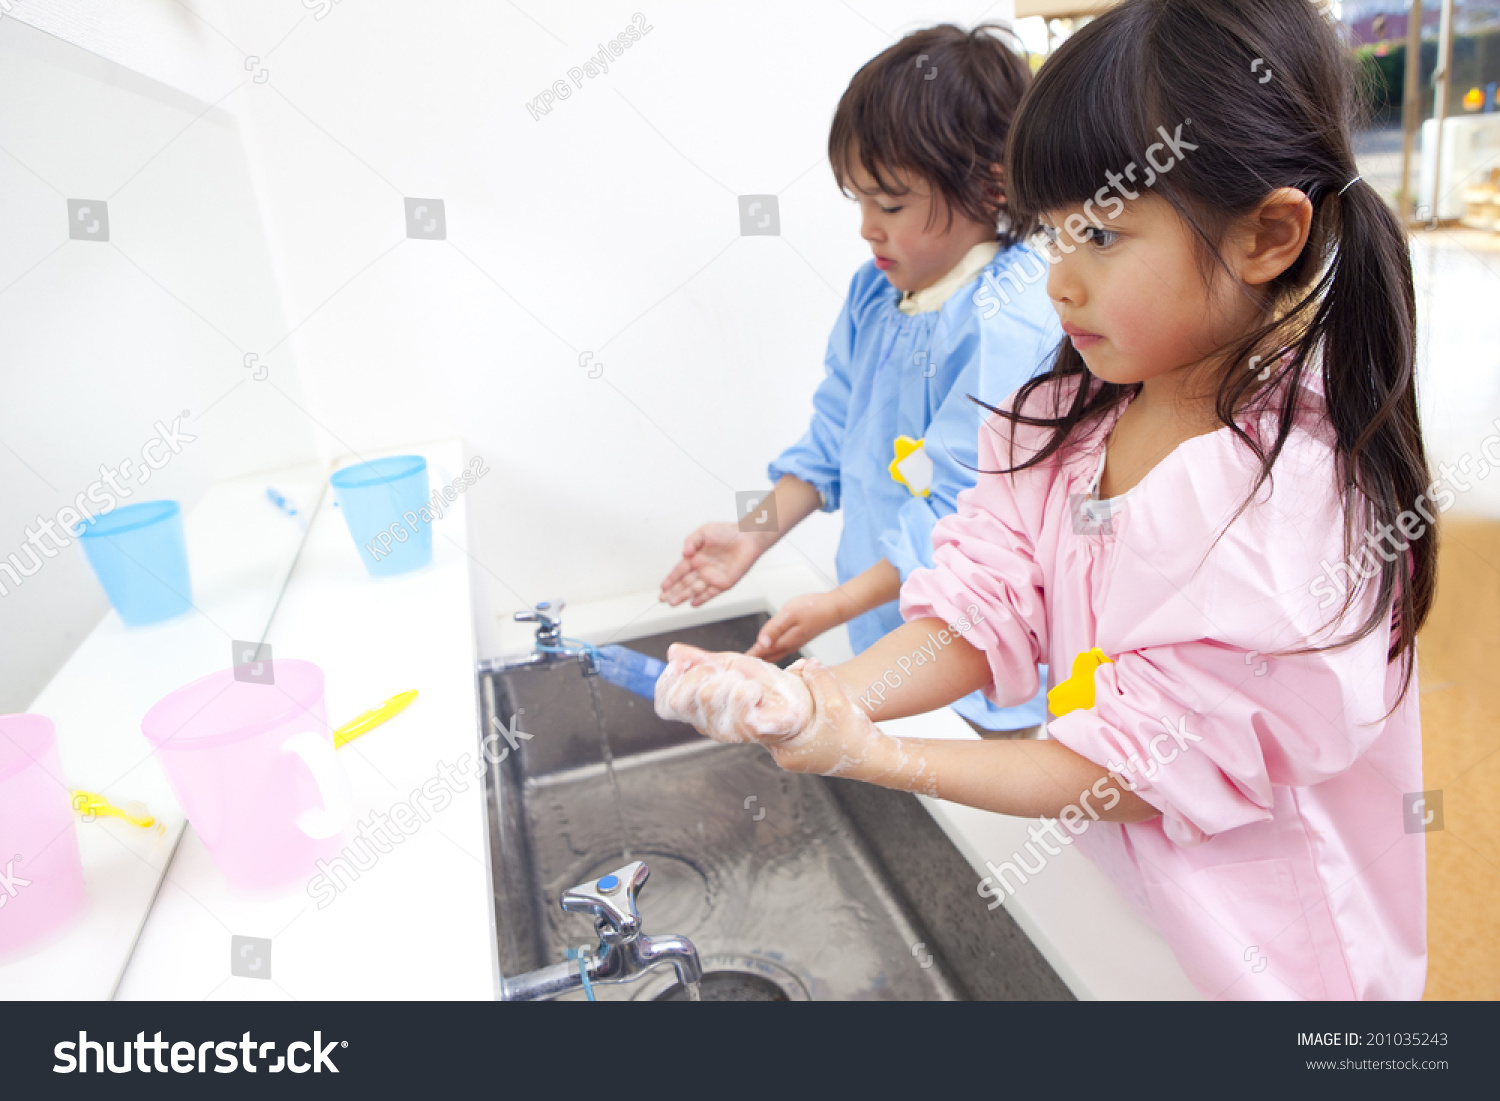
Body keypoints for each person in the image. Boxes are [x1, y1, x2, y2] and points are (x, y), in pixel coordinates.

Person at [656, 0, 1433, 1000]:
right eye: (1055, 235)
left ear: (1268, 234)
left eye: (1103, 235)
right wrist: (821, 697)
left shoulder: (1287, 499)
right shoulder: (1067, 420)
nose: (1060, 283)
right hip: (1132, 908)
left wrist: (875, 750)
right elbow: (982, 610)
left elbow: (1133, 764)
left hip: (1280, 954)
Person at [658, 24, 1060, 735]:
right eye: (859, 202)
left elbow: (960, 518)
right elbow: (832, 436)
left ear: (990, 183)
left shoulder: (1009, 318)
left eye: (892, 204)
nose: (868, 229)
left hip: (979, 667)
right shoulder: (875, 295)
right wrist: (753, 534)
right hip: (884, 644)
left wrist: (839, 601)